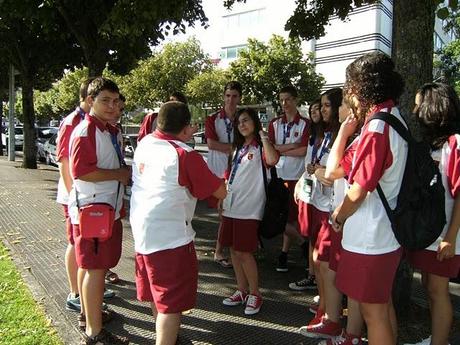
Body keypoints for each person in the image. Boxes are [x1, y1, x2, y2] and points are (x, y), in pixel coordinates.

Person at [130, 101, 227, 345]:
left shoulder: (145, 144)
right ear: (186, 128)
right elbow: (219, 192)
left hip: (144, 232)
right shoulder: (184, 154)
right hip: (171, 237)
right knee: (170, 304)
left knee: (157, 294)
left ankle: (168, 337)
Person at [330, 52, 406, 345]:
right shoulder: (392, 118)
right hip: (382, 234)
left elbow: (359, 188)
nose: (348, 93)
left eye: (351, 86)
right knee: (382, 307)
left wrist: (339, 215)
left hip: (371, 236)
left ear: (362, 87)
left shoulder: (377, 127)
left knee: (374, 314)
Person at [68, 77, 131, 344]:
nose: (111, 106)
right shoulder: (86, 131)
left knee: (91, 268)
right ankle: (94, 332)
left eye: (115, 101)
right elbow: (81, 171)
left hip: (105, 209)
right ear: (91, 101)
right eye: (105, 100)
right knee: (95, 269)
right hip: (93, 211)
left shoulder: (109, 130)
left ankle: (88, 316)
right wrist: (118, 174)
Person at [405, 83, 460, 345]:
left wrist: (450, 237)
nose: (415, 110)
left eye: (419, 104)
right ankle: (436, 338)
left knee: (438, 291)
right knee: (428, 285)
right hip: (429, 231)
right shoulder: (429, 145)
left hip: (445, 234)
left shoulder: (455, 143)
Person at [219, 108, 279, 315]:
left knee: (244, 251)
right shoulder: (236, 148)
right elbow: (229, 176)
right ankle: (241, 290)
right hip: (231, 205)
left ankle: (255, 293)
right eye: (239, 122)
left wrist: (263, 137)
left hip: (250, 208)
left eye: (246, 121)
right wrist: (222, 197)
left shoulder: (261, 146)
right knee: (234, 250)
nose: (242, 125)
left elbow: (272, 161)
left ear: (254, 122)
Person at [296, 88, 342, 339]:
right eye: (321, 105)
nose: (322, 110)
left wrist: (321, 171)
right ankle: (325, 308)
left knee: (325, 263)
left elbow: (333, 173)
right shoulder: (326, 133)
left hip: (331, 207)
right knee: (318, 258)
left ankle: (329, 314)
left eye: (326, 106)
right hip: (318, 202)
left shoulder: (340, 135)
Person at [268, 85, 310, 272]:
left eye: (288, 99)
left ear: (295, 100)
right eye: (281, 99)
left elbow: (303, 151)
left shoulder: (305, 124)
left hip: (296, 176)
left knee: (291, 218)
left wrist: (281, 148)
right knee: (278, 216)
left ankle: (284, 254)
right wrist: (292, 145)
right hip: (277, 176)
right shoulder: (275, 124)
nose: (284, 103)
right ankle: (302, 244)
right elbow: (269, 149)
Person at [205, 81, 243, 268]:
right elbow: (212, 144)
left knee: (231, 210)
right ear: (223, 96)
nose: (231, 100)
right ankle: (220, 250)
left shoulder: (243, 118)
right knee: (224, 212)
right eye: (228, 96)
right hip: (218, 171)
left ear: (240, 98)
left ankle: (225, 249)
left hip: (238, 171)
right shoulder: (213, 118)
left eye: (234, 96)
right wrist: (237, 149)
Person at [290, 99, 322, 291]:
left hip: (324, 196)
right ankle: (312, 275)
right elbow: (308, 163)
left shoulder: (333, 135)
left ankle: (321, 282)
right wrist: (301, 182)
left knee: (320, 239)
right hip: (310, 191)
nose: (316, 112)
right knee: (311, 236)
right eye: (313, 109)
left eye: (320, 108)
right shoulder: (312, 134)